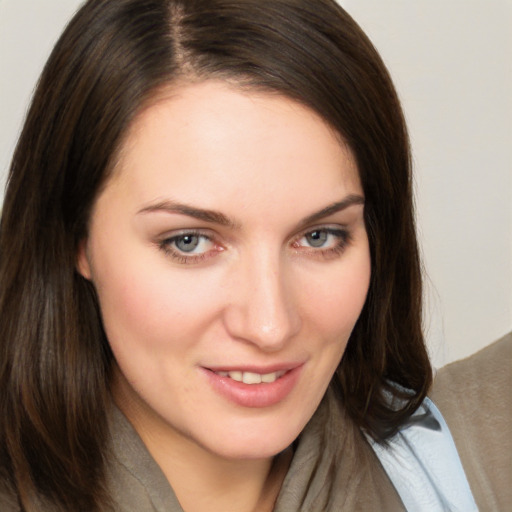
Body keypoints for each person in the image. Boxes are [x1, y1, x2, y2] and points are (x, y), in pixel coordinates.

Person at [0, 0, 509, 511]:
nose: (270, 327)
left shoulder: (468, 457)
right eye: (189, 241)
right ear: (75, 236)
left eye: (320, 237)